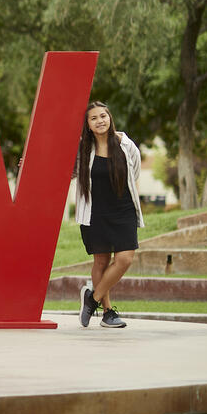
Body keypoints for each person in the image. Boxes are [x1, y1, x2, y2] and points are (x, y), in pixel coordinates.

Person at [74, 101, 143, 329]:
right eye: (93, 118)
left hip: (124, 210)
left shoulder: (125, 144)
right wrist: (29, 164)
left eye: (103, 116)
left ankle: (92, 299)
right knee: (101, 261)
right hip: (95, 212)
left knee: (125, 259)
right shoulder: (83, 149)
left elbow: (135, 172)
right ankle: (107, 313)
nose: (100, 121)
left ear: (109, 118)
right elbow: (64, 172)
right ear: (88, 125)